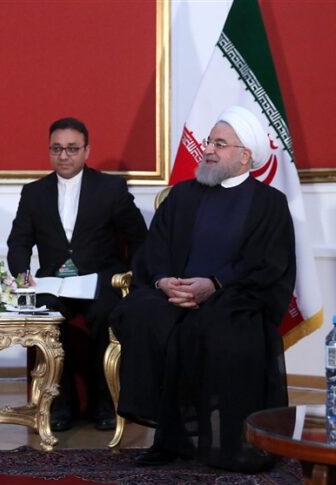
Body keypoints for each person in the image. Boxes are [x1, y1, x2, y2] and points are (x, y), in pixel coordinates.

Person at [111, 106, 296, 472]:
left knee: (222, 328)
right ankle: (168, 439)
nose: (208, 149)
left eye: (219, 144)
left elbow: (267, 264)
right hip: (176, 293)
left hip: (233, 296)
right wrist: (165, 281)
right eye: (209, 141)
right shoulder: (182, 195)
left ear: (245, 156)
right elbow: (154, 250)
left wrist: (214, 284)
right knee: (138, 313)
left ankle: (230, 445)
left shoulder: (268, 204)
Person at [7, 117, 148, 431]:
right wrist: (22, 275)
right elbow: (18, 242)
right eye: (56, 149)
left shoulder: (110, 188)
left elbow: (139, 237)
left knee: (103, 316)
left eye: (72, 149)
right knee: (48, 317)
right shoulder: (34, 193)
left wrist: (133, 277)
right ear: (49, 151)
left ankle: (105, 404)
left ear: (87, 151)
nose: (64, 156)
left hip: (101, 281)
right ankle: (60, 406)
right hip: (54, 283)